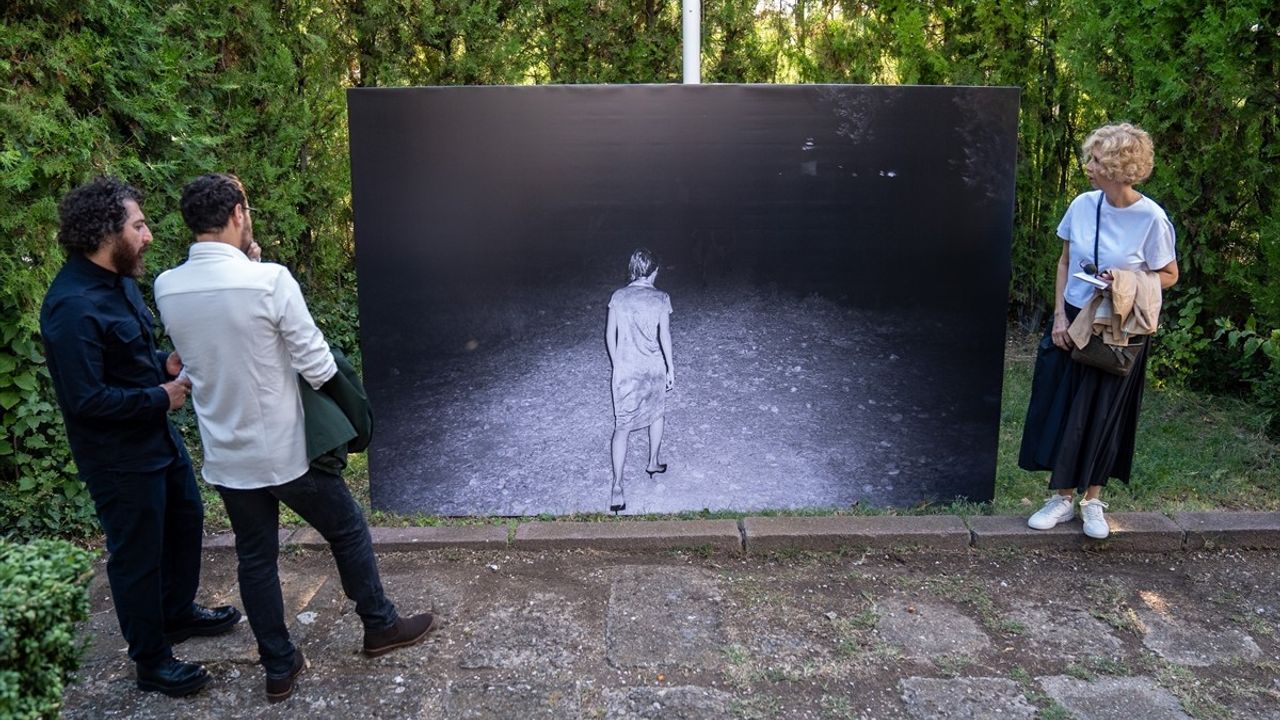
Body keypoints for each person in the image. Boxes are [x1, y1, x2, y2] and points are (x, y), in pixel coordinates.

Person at [154, 173, 438, 703]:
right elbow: (313, 360)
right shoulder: (271, 282)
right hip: (288, 450)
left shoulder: (167, 286)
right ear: (238, 212)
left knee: (255, 557)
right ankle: (379, 626)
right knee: (348, 528)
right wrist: (354, 410)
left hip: (227, 453)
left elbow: (226, 334)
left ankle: (279, 665)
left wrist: (252, 266)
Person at [40, 177, 241, 698]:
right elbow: (86, 400)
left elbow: (126, 363)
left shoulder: (122, 284)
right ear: (107, 232)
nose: (149, 236)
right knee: (137, 555)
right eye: (139, 225)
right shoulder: (70, 306)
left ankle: (175, 613)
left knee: (185, 519)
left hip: (155, 438)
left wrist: (161, 365)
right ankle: (151, 660)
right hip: (118, 458)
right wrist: (162, 396)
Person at [1019, 123, 1179, 539]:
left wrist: (1125, 278)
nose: (1088, 166)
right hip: (1076, 316)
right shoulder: (1083, 205)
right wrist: (1058, 317)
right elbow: (1063, 262)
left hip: (1119, 326)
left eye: (1094, 160)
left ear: (1116, 167)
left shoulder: (1151, 218)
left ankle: (1093, 501)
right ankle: (1060, 497)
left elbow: (1169, 275)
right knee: (1064, 407)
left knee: (1103, 412)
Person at [605, 248, 675, 513]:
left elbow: (609, 335)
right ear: (654, 271)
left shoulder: (618, 297)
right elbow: (664, 337)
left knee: (622, 426)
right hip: (653, 369)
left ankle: (617, 487)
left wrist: (617, 362)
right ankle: (653, 462)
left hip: (625, 371)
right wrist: (671, 367)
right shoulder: (661, 298)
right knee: (657, 415)